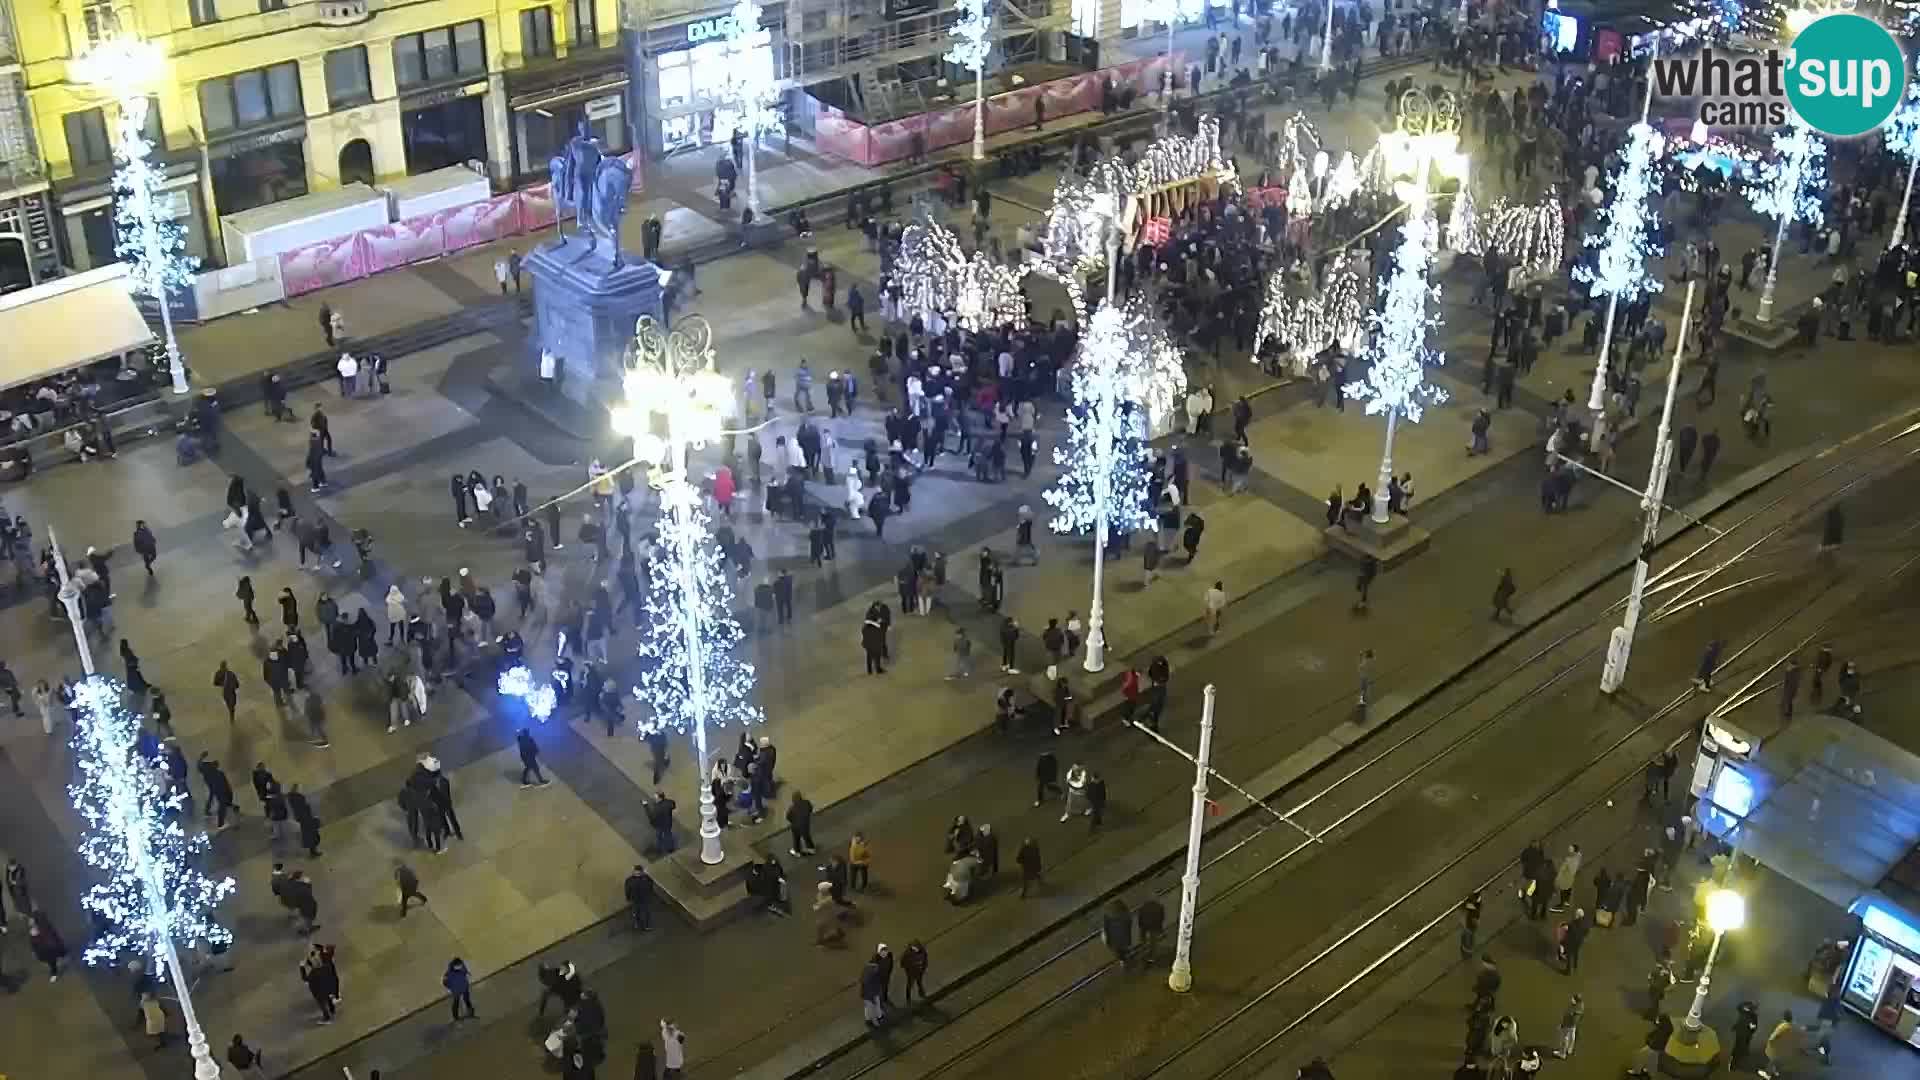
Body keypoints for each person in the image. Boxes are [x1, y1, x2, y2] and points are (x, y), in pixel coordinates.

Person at [625, 864, 654, 931]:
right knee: (645, 912)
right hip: (643, 899)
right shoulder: (647, 878)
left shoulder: (629, 880)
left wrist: (628, 898)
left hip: (637, 899)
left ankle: (639, 924)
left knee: (638, 912)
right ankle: (646, 925)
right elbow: (651, 887)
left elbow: (627, 890)